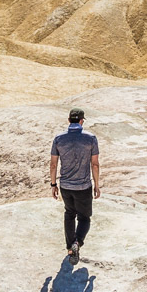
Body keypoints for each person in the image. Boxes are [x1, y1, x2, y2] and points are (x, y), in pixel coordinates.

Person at [48, 107, 100, 258]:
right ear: (82, 121)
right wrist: (96, 185)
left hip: (65, 185)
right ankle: (77, 243)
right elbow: (95, 164)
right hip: (83, 186)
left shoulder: (59, 138)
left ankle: (70, 248)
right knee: (84, 218)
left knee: (69, 214)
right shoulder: (90, 138)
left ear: (69, 120)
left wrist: (53, 184)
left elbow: (53, 164)